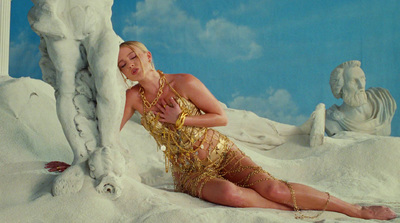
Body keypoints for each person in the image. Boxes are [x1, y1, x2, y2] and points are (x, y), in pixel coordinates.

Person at [118, 41, 396, 220]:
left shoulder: (183, 82)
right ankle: (294, 211)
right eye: (122, 64)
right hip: (189, 171)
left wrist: (182, 120)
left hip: (220, 150)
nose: (130, 64)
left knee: (273, 188)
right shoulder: (132, 99)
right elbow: (109, 132)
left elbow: (220, 118)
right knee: (230, 194)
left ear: (148, 55)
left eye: (133, 56)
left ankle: (357, 210)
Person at [326, 60, 397, 136]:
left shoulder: (382, 101)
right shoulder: (332, 120)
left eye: (362, 78)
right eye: (353, 81)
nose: (361, 85)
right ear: (340, 88)